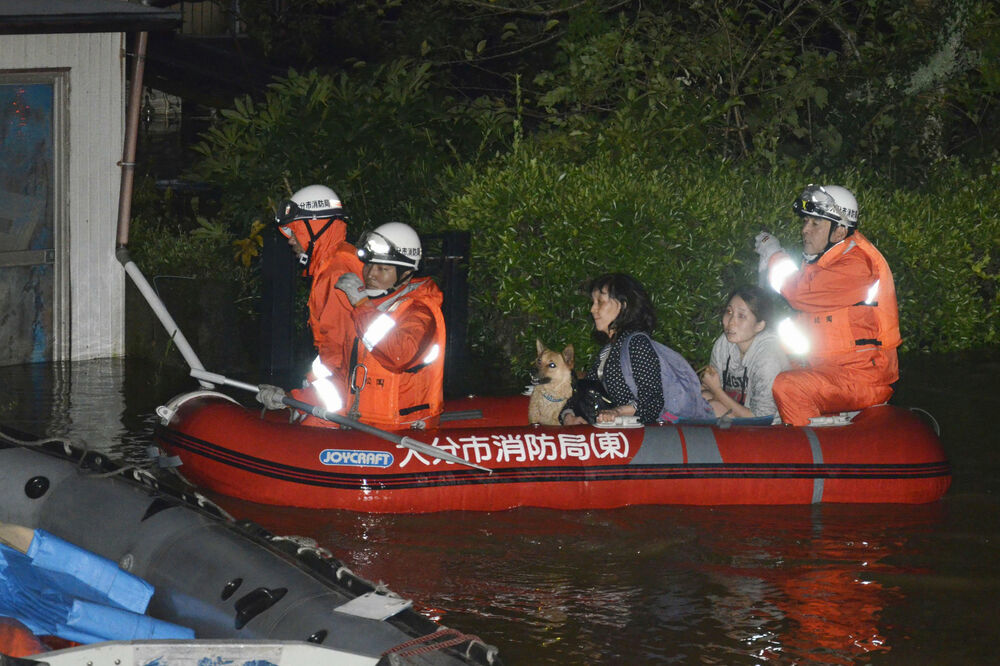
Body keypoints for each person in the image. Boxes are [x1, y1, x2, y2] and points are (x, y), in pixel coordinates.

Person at [755, 184, 901, 426]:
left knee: (788, 386)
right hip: (829, 371)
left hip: (862, 379)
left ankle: (807, 453)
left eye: (815, 224)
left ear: (839, 231)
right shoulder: (822, 262)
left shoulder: (857, 265)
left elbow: (798, 291)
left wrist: (773, 254)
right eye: (805, 222)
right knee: (770, 358)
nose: (805, 230)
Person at [321, 222, 447, 430]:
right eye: (369, 265)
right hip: (362, 423)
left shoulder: (420, 312)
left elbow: (398, 355)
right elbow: (341, 368)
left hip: (402, 429)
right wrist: (294, 397)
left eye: (382, 268)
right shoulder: (368, 310)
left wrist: (362, 306)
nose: (370, 274)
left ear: (406, 274)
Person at [561, 273, 713, 426]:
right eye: (593, 302)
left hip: (661, 437)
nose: (593, 309)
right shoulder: (607, 352)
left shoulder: (637, 343)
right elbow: (584, 390)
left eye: (600, 302)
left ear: (623, 305)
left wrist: (617, 413)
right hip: (628, 436)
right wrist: (569, 415)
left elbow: (652, 403)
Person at [274, 184, 363, 380]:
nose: (291, 241)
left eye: (295, 231)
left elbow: (338, 353)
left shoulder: (336, 272)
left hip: (345, 391)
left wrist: (302, 394)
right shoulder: (341, 260)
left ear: (313, 228)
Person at [701, 285, 790, 420]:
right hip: (736, 412)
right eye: (729, 312)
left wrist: (717, 391)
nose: (731, 322)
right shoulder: (723, 343)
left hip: (770, 428)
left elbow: (761, 418)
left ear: (759, 325)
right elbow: (708, 387)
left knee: (713, 408)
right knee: (701, 398)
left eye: (741, 316)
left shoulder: (769, 356)